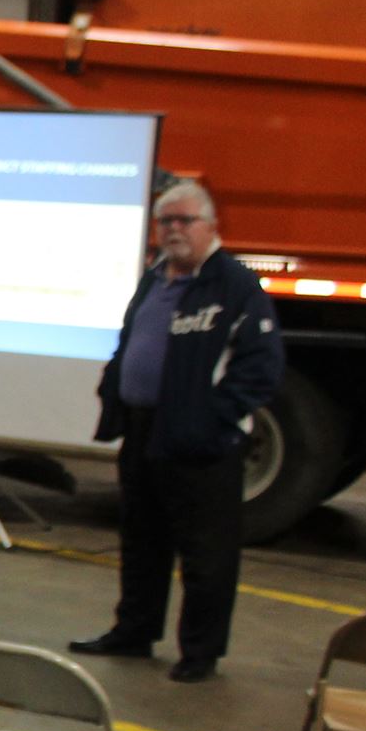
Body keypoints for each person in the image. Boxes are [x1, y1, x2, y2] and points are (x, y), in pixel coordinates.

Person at [71, 179, 284, 683]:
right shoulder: (155, 278)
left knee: (205, 553)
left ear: (211, 227)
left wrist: (212, 420)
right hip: (145, 432)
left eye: (184, 220)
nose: (173, 230)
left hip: (200, 442)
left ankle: (200, 653)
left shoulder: (233, 286)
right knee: (142, 540)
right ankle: (134, 633)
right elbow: (134, 341)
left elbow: (261, 367)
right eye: (165, 221)